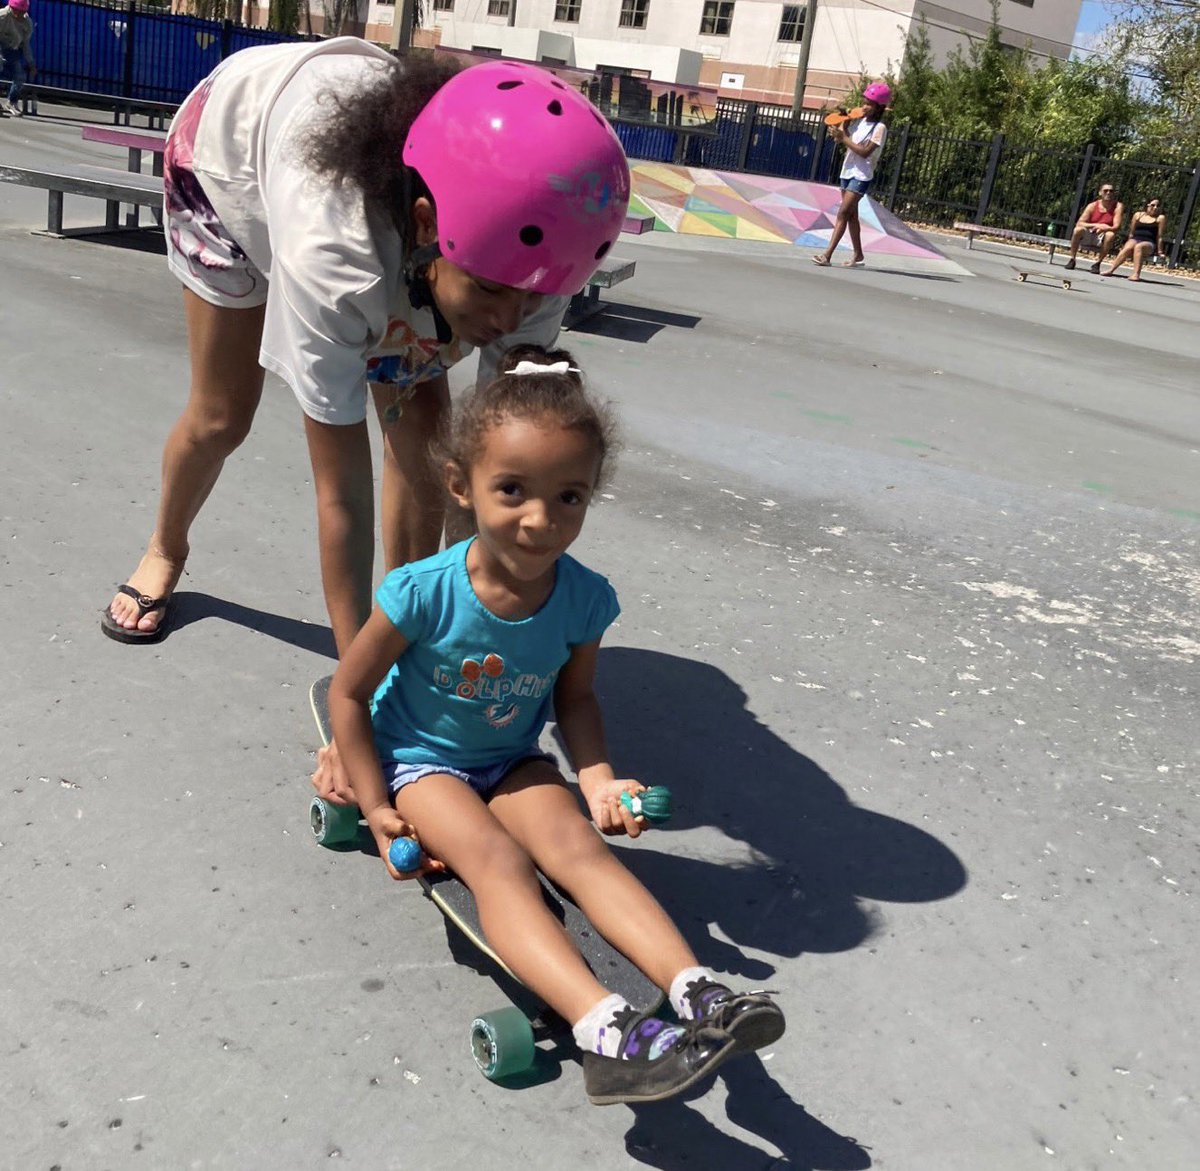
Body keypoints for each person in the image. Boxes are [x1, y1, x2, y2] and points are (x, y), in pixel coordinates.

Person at [325, 344, 786, 1105]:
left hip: (511, 755)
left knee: (579, 847)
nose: (541, 519)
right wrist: (374, 804)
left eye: (568, 496)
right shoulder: (420, 591)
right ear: (460, 486)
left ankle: (700, 990)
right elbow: (348, 693)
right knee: (497, 863)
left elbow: (575, 700)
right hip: (421, 758)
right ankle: (603, 1026)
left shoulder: (585, 599)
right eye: (512, 489)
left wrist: (599, 777)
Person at [101, 39, 626, 654]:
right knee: (222, 415)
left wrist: (472, 630)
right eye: (489, 290)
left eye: (531, 298)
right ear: (430, 226)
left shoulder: (540, 259)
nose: (510, 319)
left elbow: (497, 463)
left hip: (398, 217)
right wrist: (362, 681)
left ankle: (412, 622)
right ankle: (165, 547)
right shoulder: (340, 260)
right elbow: (341, 495)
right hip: (228, 158)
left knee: (429, 430)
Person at [812, 80, 891, 269]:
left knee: (843, 212)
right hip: (847, 171)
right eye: (865, 102)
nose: (865, 106)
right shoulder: (860, 121)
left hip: (861, 175)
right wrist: (843, 124)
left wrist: (844, 138)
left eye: (869, 104)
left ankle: (827, 255)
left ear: (879, 107)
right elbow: (847, 139)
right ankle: (858, 255)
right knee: (852, 216)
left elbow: (864, 152)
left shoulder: (879, 128)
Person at [1064, 181, 1124, 273]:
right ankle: (1072, 259)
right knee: (1077, 230)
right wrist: (1096, 225)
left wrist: (1106, 228)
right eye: (1105, 191)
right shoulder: (1092, 206)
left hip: (1102, 235)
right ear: (1100, 192)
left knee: (1110, 235)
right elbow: (1080, 223)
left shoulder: (1118, 206)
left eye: (1111, 191)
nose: (1108, 193)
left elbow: (1117, 226)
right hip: (1089, 233)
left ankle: (1097, 263)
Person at [1102, 197, 1166, 281]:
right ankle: (1111, 270)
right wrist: (1128, 242)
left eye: (1158, 206)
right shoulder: (1138, 215)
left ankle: (1136, 274)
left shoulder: (1160, 218)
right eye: (1152, 205)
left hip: (1149, 242)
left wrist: (1160, 251)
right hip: (1136, 238)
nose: (1155, 208)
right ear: (1147, 205)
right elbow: (1132, 232)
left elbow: (1159, 236)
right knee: (1128, 247)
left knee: (1139, 246)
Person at [0, 0, 36, 117]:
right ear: (12, 8)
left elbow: (26, 45)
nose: (20, 15)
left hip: (13, 49)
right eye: (17, 12)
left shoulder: (27, 23)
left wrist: (31, 64)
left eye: (22, 12)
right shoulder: (2, 16)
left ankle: (11, 102)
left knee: (20, 76)